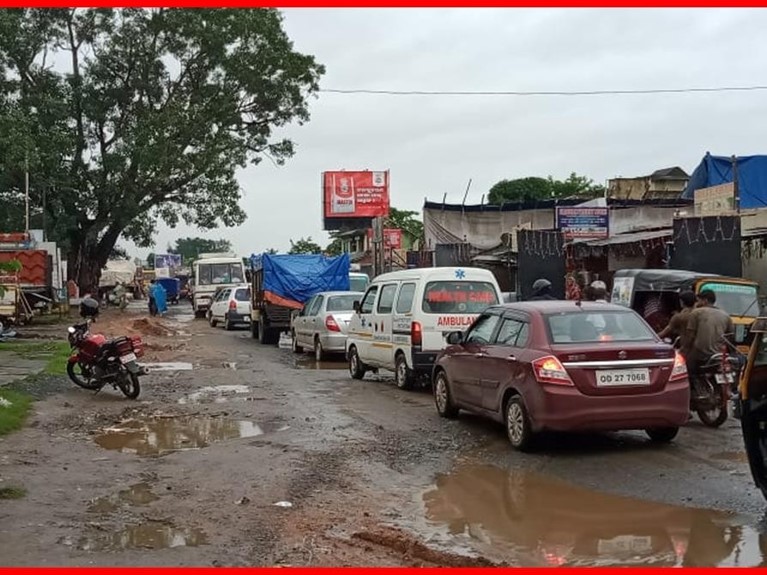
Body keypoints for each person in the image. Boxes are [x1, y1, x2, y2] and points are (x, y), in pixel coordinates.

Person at [682, 289, 734, 382]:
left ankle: (693, 388)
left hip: (700, 356)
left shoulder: (696, 313)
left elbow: (690, 337)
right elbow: (729, 338)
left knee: (684, 369)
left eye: (699, 300)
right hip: (719, 355)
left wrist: (683, 352)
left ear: (705, 300)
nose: (697, 303)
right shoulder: (726, 315)